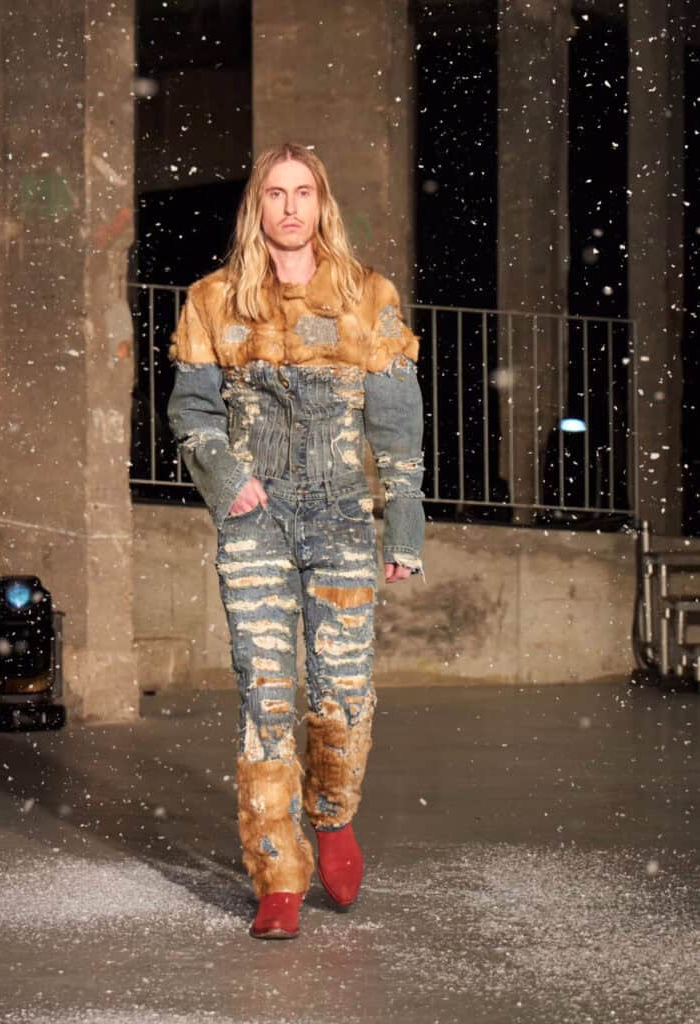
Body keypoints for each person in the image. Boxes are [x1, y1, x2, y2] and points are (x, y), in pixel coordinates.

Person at [167, 142, 424, 939]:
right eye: (274, 193)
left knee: (341, 691)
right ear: (256, 208)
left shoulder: (366, 297)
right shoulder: (213, 301)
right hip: (254, 521)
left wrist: (403, 526)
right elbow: (191, 414)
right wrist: (225, 477)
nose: (288, 207)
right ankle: (277, 875)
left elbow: (396, 424)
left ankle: (333, 814)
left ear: (321, 206)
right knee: (266, 693)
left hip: (344, 519)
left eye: (302, 192)